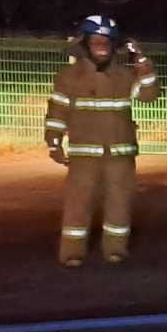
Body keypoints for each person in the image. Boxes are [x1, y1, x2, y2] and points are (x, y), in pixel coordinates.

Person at [44, 14, 158, 266]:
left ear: (114, 45)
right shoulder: (69, 76)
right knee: (77, 204)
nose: (102, 46)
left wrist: (142, 63)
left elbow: (149, 95)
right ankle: (72, 253)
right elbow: (57, 111)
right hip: (84, 154)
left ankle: (115, 250)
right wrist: (53, 142)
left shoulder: (125, 76)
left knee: (119, 203)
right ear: (85, 43)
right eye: (96, 41)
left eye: (106, 41)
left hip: (120, 154)